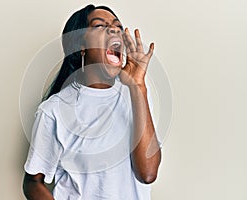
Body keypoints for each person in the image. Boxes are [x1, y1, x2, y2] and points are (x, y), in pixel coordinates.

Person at [23, 4, 161, 200]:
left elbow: (147, 174)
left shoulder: (136, 95)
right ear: (81, 46)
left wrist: (138, 87)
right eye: (99, 26)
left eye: (117, 27)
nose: (113, 30)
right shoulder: (54, 110)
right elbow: (32, 182)